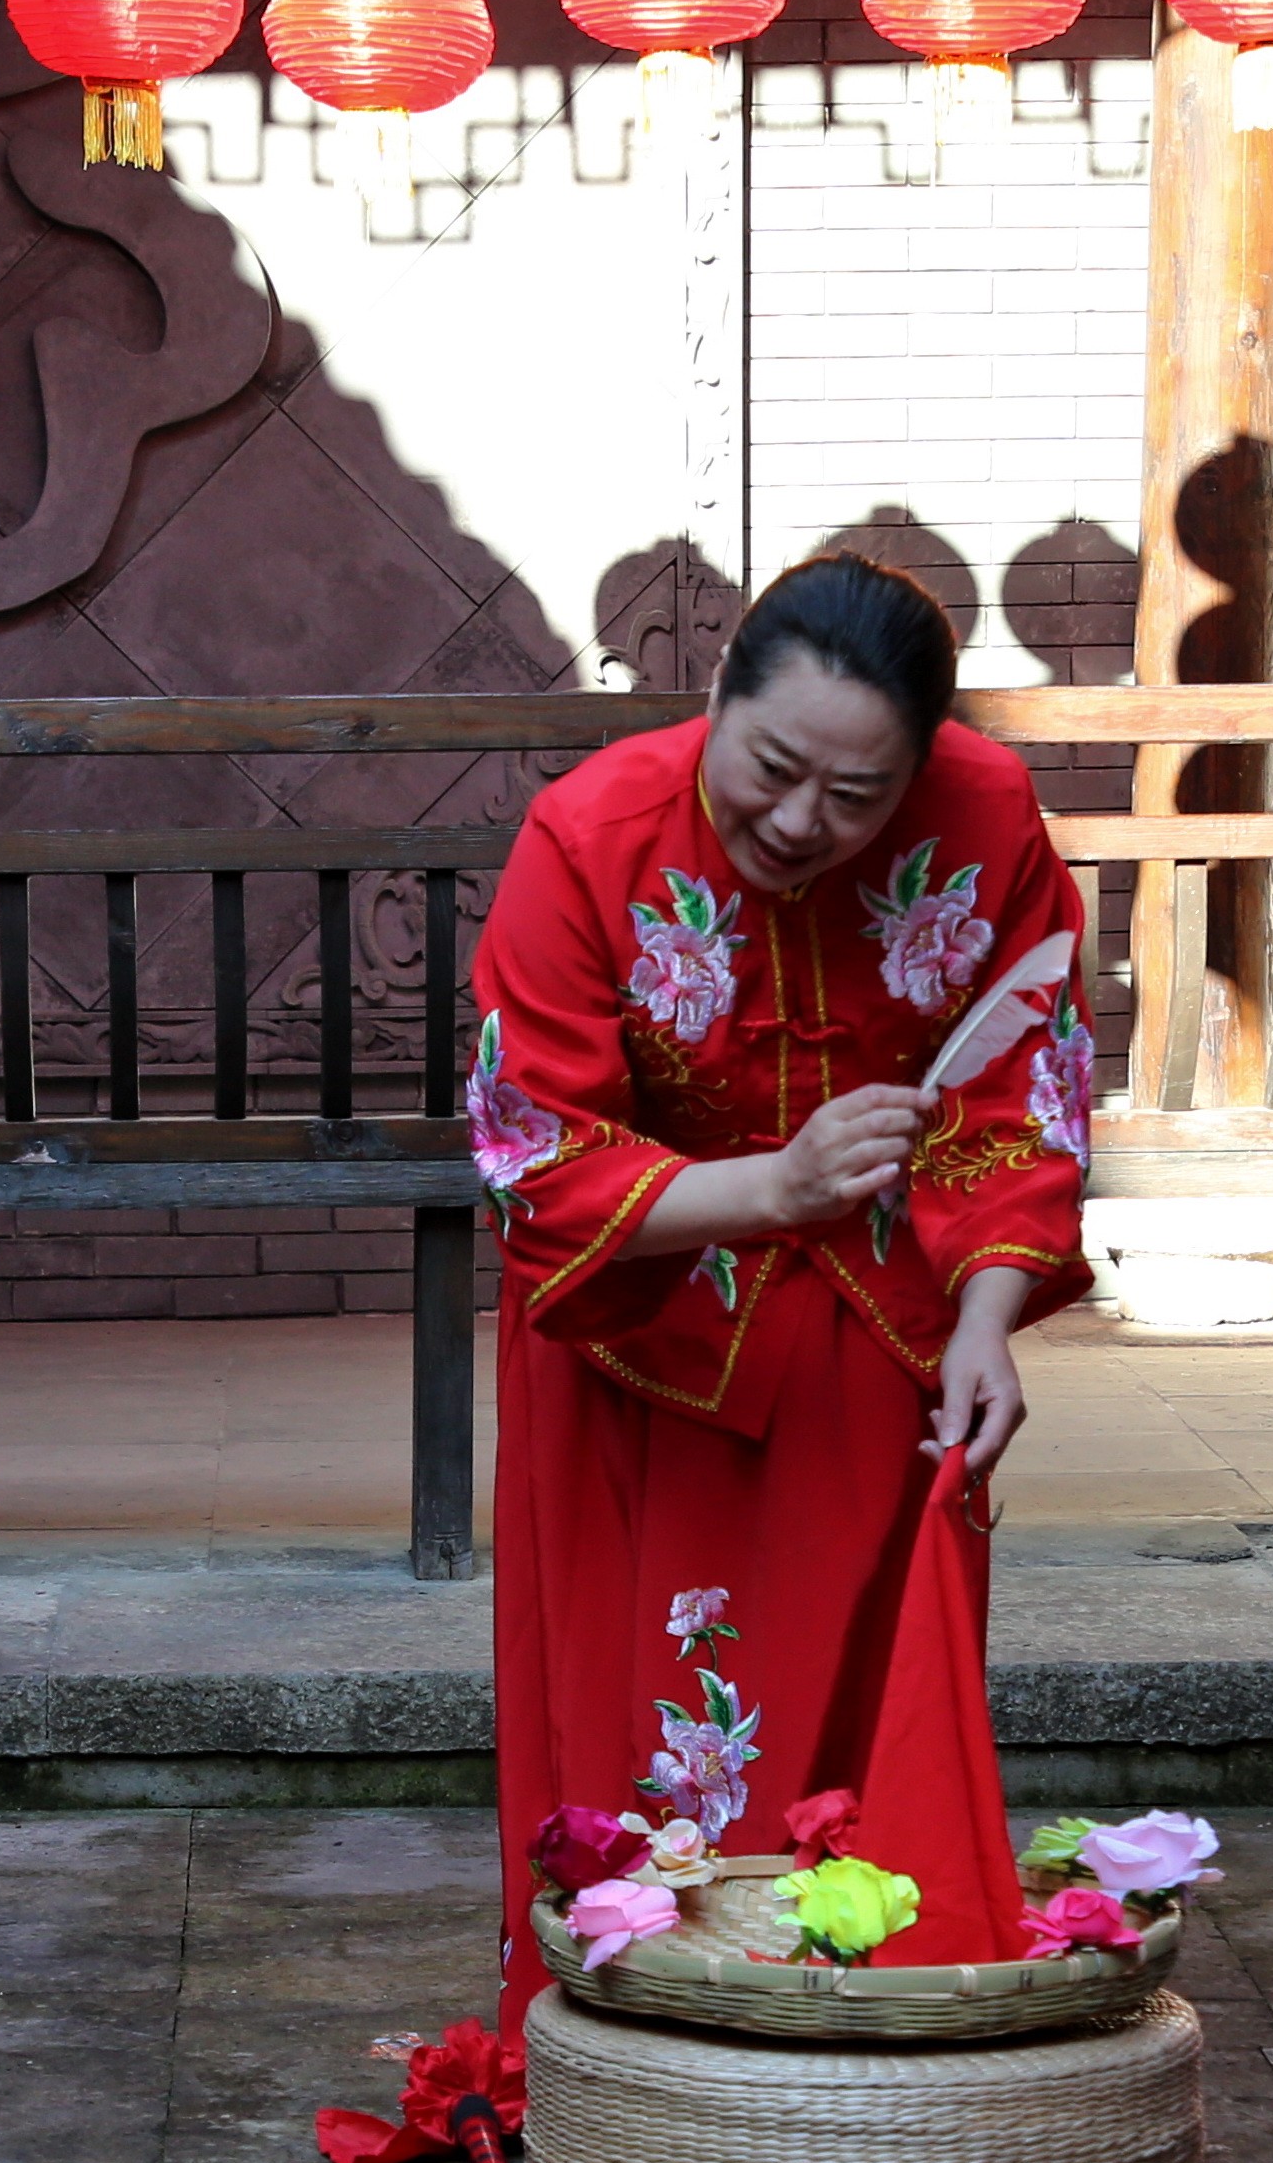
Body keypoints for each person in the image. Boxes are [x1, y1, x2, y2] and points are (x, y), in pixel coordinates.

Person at [466, 554, 1096, 2015]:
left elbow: (1025, 1092)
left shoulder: (991, 817)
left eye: (860, 795)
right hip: (643, 1318)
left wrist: (993, 1323)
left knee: (876, 1725)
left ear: (924, 767)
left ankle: (857, 2048)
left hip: (890, 1342)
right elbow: (531, 1152)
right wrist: (774, 1191)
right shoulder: (588, 836)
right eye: (773, 768)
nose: (804, 822)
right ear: (713, 702)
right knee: (644, 1737)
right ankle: (653, 2055)